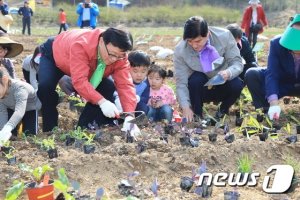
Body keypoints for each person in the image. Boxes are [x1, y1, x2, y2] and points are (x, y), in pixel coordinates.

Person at [37, 27, 140, 137]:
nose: (114, 59)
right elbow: (80, 81)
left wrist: (129, 115)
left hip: (90, 66)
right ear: (101, 41)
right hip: (56, 54)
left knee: (108, 87)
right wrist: (102, 102)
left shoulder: (120, 58)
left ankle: (83, 129)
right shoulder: (82, 45)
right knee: (45, 87)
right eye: (112, 54)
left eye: (120, 56)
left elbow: (125, 85)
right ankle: (50, 131)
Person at [174, 16, 244, 122]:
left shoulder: (224, 36)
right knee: (195, 79)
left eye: (198, 41)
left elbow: (237, 62)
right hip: (201, 89)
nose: (194, 45)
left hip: (222, 83)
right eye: (190, 41)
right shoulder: (181, 50)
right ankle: (197, 115)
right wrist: (185, 107)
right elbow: (181, 83)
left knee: (237, 84)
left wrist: (228, 72)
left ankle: (222, 111)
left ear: (207, 33)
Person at [245, 14, 300, 120]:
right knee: (252, 74)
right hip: (282, 82)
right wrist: (274, 103)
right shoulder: (276, 43)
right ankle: (266, 110)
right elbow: (272, 73)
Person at [114, 50, 151, 115]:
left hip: (136, 104)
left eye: (143, 72)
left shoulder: (145, 83)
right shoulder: (123, 79)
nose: (139, 75)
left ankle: (136, 121)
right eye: (135, 71)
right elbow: (115, 92)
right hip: (121, 103)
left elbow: (145, 98)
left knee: (144, 108)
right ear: (128, 68)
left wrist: (137, 98)